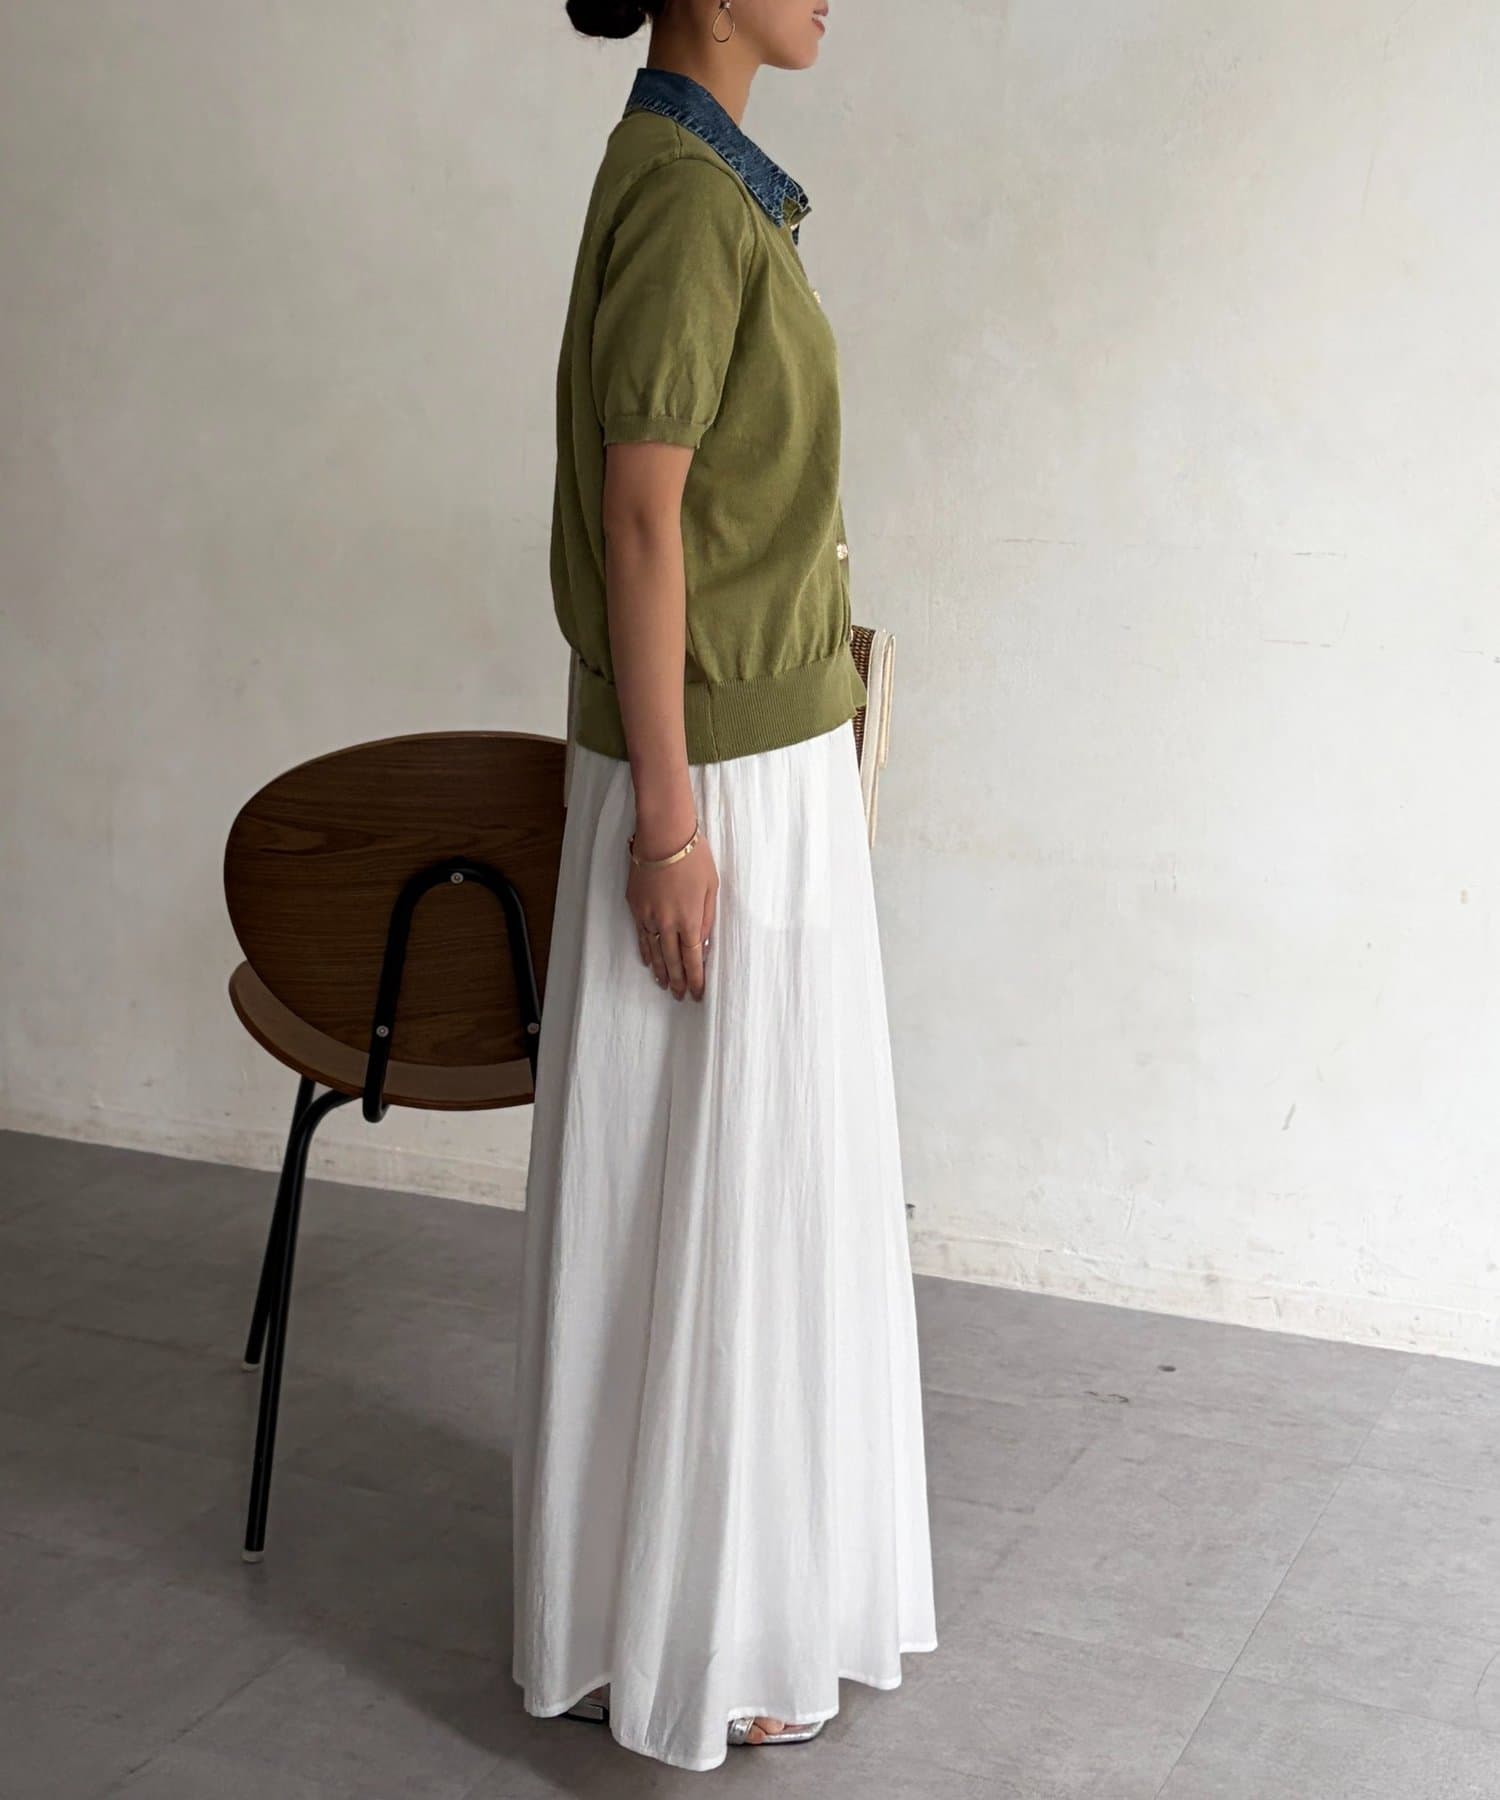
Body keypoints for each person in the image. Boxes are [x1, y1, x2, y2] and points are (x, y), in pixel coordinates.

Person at [510, 0, 938, 1771]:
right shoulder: (688, 194)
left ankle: (693, 1597)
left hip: (753, 760)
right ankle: (698, 1627)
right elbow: (641, 513)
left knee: (718, 1189)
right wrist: (673, 827)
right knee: (721, 1189)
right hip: (719, 779)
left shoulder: (707, 178)